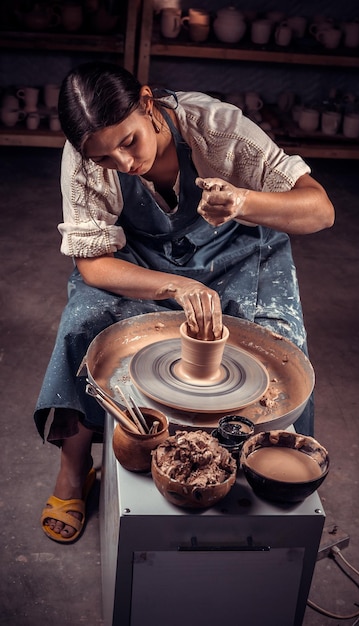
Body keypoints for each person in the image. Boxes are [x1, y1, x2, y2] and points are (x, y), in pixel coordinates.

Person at [35, 61, 334, 543]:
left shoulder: (215, 126)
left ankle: (263, 467)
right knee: (83, 322)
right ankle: (74, 470)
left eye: (129, 142)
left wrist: (243, 202)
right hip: (143, 259)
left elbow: (320, 209)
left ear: (148, 105)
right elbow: (93, 262)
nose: (125, 164)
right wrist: (173, 286)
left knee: (278, 349)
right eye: (106, 158)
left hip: (235, 252)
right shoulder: (85, 159)